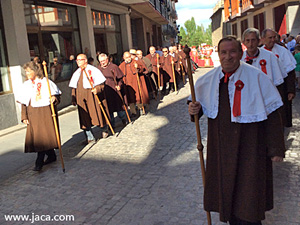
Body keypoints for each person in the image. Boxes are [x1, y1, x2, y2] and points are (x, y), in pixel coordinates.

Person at [188, 36, 285, 225]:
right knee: (227, 193)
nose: (228, 56)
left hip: (251, 146)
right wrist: (193, 111)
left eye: (232, 52)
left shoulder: (257, 77)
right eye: (223, 52)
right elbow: (198, 108)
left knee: (249, 196)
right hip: (221, 147)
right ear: (218, 54)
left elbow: (273, 114)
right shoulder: (208, 80)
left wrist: (276, 149)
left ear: (240, 54)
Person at [16, 61, 61, 171]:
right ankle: (51, 155)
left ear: (35, 71)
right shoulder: (26, 85)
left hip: (45, 112)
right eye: (26, 72)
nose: (27, 74)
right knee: (38, 138)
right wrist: (24, 116)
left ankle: (39, 162)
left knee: (44, 137)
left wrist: (54, 99)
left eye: (29, 71)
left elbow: (56, 95)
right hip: (33, 113)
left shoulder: (46, 82)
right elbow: (23, 102)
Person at [69, 54, 109, 143]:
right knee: (84, 117)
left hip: (92, 96)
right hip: (81, 98)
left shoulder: (93, 70)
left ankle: (104, 129)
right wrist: (73, 97)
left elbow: (102, 84)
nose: (78, 61)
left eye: (80, 60)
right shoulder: (77, 73)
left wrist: (97, 89)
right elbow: (74, 86)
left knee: (97, 113)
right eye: (77, 60)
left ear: (85, 60)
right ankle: (90, 137)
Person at [261, 28, 297, 127]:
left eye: (274, 37)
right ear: (263, 39)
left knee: (281, 115)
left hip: (281, 87)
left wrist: (290, 90)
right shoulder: (259, 52)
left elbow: (290, 72)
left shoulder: (282, 51)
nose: (273, 40)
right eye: (270, 38)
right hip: (265, 89)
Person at [97, 53, 127, 127]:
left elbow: (120, 79)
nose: (102, 62)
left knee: (119, 108)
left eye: (104, 60)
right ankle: (112, 125)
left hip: (114, 90)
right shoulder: (98, 69)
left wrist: (119, 85)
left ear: (107, 59)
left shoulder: (113, 67)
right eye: (101, 61)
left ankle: (123, 118)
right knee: (108, 109)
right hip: (105, 92)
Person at [119, 51, 149, 117]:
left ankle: (141, 108)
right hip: (128, 84)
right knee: (130, 98)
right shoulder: (121, 66)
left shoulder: (136, 62)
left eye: (129, 57)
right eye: (126, 57)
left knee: (138, 95)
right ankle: (133, 112)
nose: (128, 58)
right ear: (123, 58)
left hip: (136, 83)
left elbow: (143, 69)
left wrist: (138, 67)